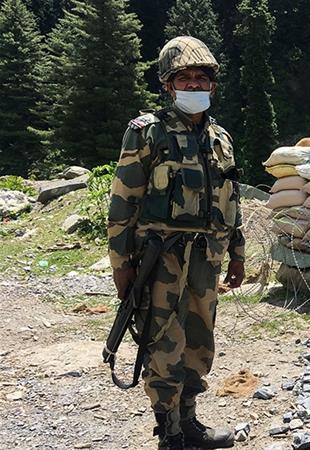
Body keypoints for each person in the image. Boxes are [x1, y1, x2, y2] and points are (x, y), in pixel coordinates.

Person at [107, 36, 245, 450]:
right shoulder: (148, 132)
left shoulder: (220, 138)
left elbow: (231, 200)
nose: (193, 86)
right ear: (168, 86)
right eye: (183, 79)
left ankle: (190, 424)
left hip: (207, 258)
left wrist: (237, 255)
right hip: (160, 258)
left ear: (213, 86)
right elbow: (123, 201)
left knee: (200, 343)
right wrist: (121, 264)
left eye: (201, 79)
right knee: (164, 342)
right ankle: (169, 433)